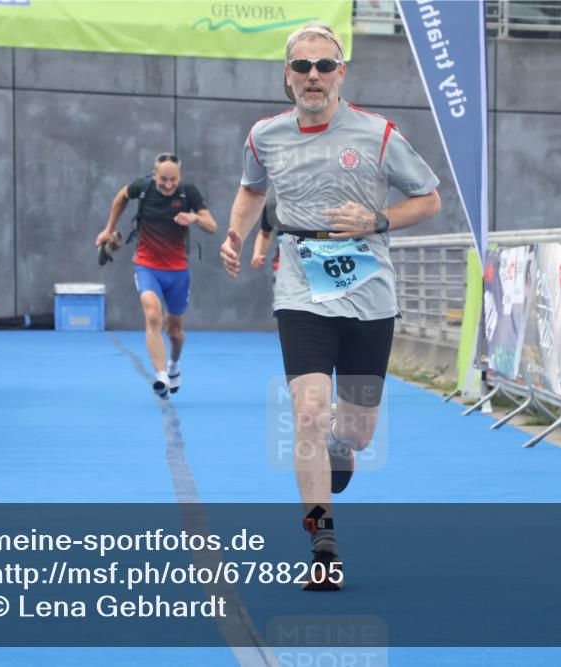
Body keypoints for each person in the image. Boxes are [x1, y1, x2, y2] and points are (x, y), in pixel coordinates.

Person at [220, 23, 441, 591]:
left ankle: (344, 443)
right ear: (287, 77)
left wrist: (378, 219)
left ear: (341, 73)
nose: (313, 76)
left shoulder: (377, 133)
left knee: (358, 432)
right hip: (300, 287)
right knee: (310, 413)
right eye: (302, 67)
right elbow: (252, 189)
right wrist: (236, 232)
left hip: (369, 294)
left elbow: (430, 198)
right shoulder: (264, 136)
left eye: (324, 66)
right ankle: (323, 545)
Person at [96, 152, 217, 398]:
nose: (168, 185)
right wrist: (109, 229)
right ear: (155, 175)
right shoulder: (143, 187)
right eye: (163, 179)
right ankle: (160, 376)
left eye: (173, 180)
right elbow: (121, 196)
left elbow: (212, 225)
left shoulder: (187, 192)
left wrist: (194, 217)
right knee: (153, 315)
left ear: (179, 177)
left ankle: (174, 365)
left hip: (178, 272)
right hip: (147, 266)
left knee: (175, 333)